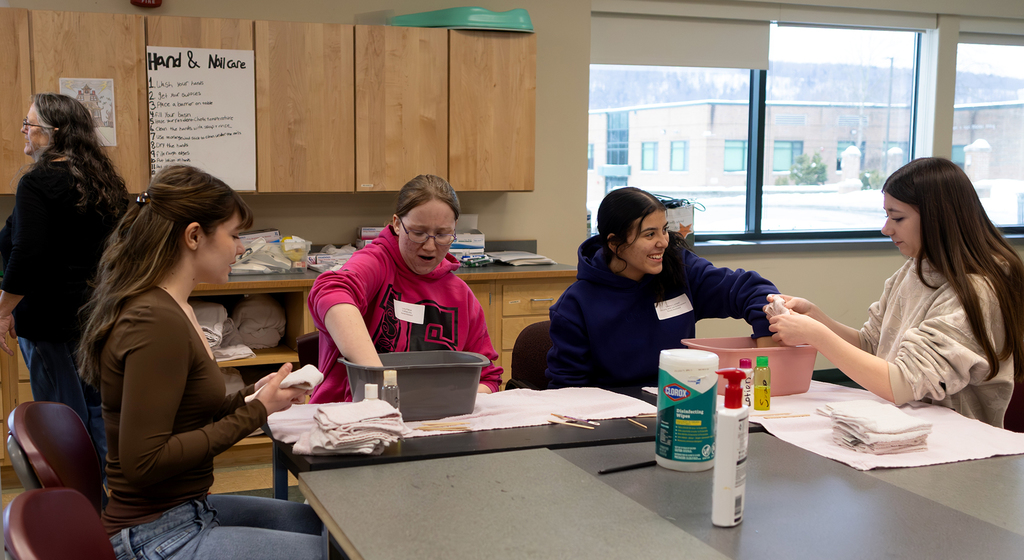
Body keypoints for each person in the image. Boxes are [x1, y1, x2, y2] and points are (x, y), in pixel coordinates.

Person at [76, 165, 376, 560]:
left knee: (341, 537)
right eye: (235, 236)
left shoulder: (167, 306)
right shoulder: (154, 320)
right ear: (194, 236)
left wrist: (252, 398)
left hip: (180, 517)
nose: (241, 248)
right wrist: (254, 412)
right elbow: (145, 461)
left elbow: (183, 416)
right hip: (155, 550)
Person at [768, 157, 1024, 427]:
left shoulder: (978, 292)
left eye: (898, 217)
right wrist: (816, 317)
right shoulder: (916, 268)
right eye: (886, 216)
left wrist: (815, 335)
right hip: (901, 427)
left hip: (955, 436)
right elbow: (873, 347)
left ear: (938, 218)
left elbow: (903, 383)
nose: (886, 229)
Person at [0, 92, 128, 472]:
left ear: (54, 132)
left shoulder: (38, 183)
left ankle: (79, 501)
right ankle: (121, 498)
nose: (23, 131)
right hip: (97, 318)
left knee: (63, 421)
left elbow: (27, 254)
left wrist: (3, 310)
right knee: (96, 413)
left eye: (29, 124)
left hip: (50, 324)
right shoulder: (103, 181)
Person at [547, 187, 779, 388]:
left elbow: (756, 292)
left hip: (682, 401)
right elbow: (569, 392)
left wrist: (765, 355)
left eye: (664, 229)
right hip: (615, 416)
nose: (664, 242)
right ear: (615, 244)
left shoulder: (681, 269)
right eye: (650, 234)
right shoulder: (576, 305)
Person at [308, 174, 502, 403]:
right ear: (397, 224)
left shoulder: (462, 296)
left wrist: (436, 400)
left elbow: (488, 379)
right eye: (418, 233)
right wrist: (380, 380)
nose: (430, 246)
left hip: (432, 417)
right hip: (352, 413)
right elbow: (330, 291)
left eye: (442, 234)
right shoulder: (377, 263)